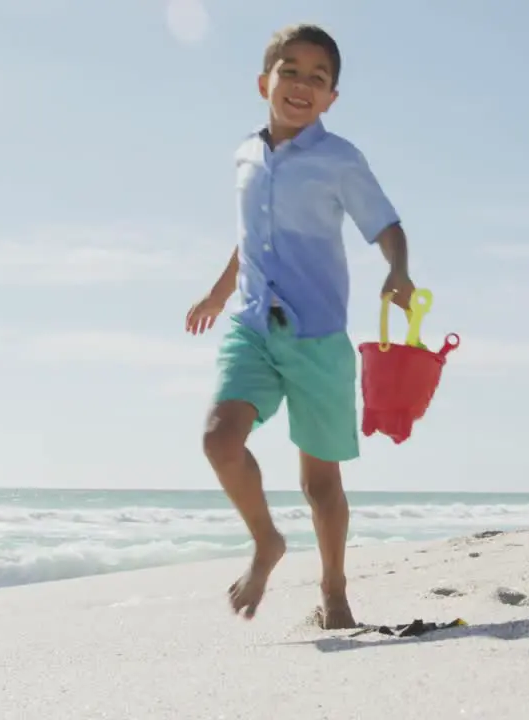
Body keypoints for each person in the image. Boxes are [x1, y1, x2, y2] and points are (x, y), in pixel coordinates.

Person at [184, 24, 416, 627]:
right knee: (219, 438)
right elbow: (249, 240)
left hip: (317, 338)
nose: (301, 85)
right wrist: (216, 293)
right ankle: (266, 541)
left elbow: (386, 223)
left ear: (332, 98)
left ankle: (334, 592)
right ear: (265, 82)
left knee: (320, 485)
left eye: (318, 78)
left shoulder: (339, 159)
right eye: (290, 71)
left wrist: (398, 269)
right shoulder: (244, 155)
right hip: (253, 325)